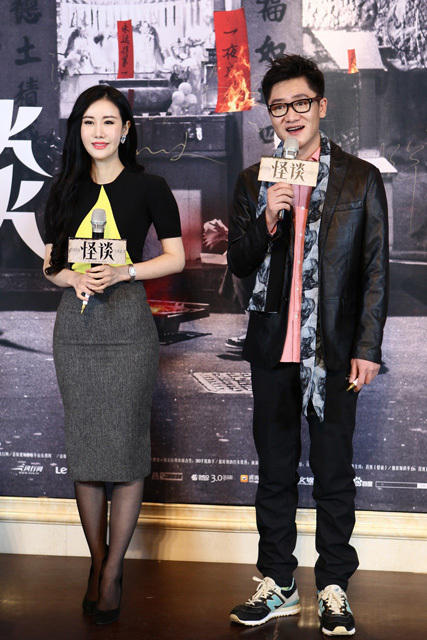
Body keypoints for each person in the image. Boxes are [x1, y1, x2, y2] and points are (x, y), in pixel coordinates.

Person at [227, 55, 388, 636]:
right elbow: (239, 262)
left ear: (321, 105)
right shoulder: (255, 179)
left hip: (335, 349)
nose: (290, 116)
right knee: (274, 470)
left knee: (333, 471)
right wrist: (268, 217)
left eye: (300, 103)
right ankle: (278, 582)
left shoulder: (359, 178)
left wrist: (367, 347)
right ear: (269, 115)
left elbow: (375, 270)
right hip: (273, 345)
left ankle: (335, 584)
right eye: (278, 107)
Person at [43, 85, 185, 625]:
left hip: (127, 326)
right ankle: (98, 561)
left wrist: (125, 271)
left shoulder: (150, 187)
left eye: (108, 121)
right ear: (77, 130)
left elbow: (175, 257)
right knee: (85, 446)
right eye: (88, 122)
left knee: (124, 447)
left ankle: (112, 572)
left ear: (126, 129)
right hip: (75, 329)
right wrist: (71, 277)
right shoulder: (64, 188)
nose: (98, 132)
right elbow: (51, 265)